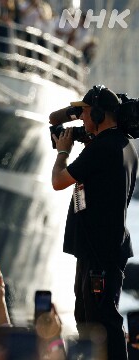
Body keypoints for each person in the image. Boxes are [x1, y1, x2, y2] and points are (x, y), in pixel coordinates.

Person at [51, 85, 138, 360]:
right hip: (99, 248)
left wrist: (63, 151)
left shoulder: (103, 147)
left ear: (100, 115)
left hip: (99, 251)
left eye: (87, 114)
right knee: (89, 320)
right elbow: (54, 119)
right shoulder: (123, 144)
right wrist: (79, 113)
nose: (83, 120)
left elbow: (58, 181)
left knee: (101, 324)